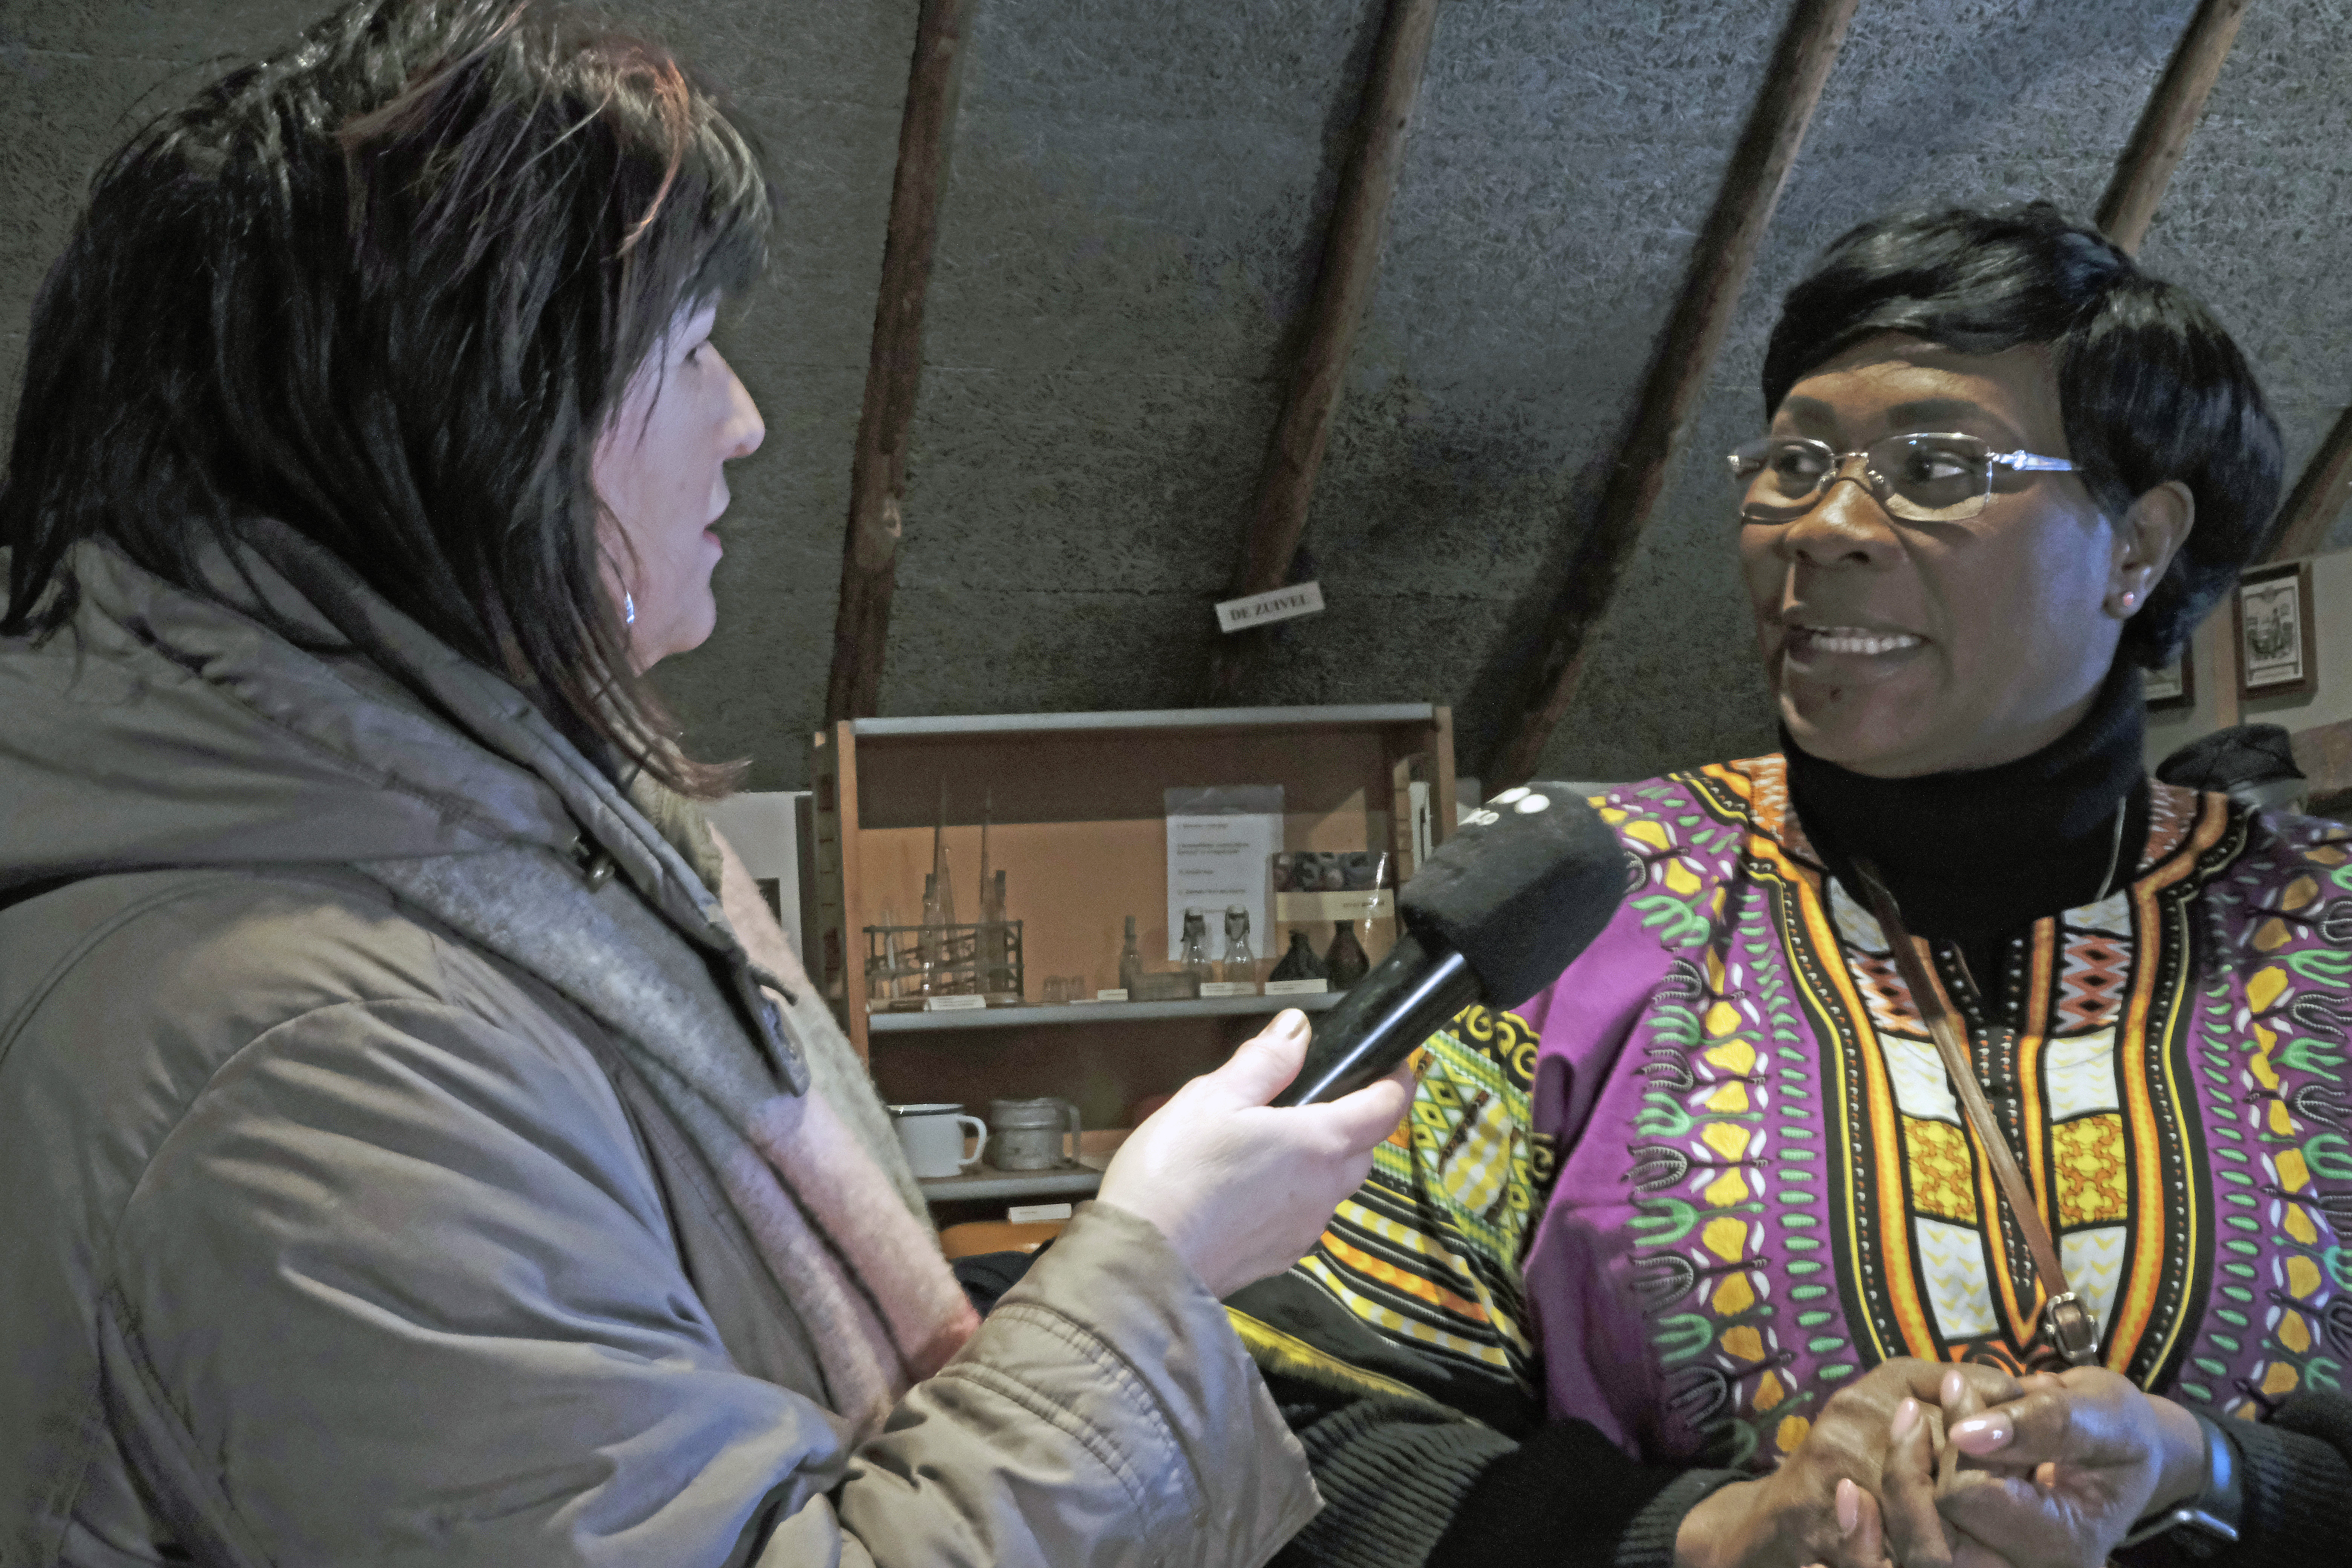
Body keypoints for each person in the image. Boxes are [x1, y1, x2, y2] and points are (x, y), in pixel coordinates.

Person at [0, 4, 1410, 1565]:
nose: (745, 421)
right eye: (684, 353)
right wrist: (1153, 1265)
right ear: (481, 433)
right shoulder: (292, 1058)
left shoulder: (544, 845)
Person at [1237, 204, 2352, 1568]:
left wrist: (2220, 1473)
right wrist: (1701, 1533)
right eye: (1794, 462)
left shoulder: (2326, 936)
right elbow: (1270, 1414)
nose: (1822, 525)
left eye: (1936, 466)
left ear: (2139, 548)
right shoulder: (1579, 916)